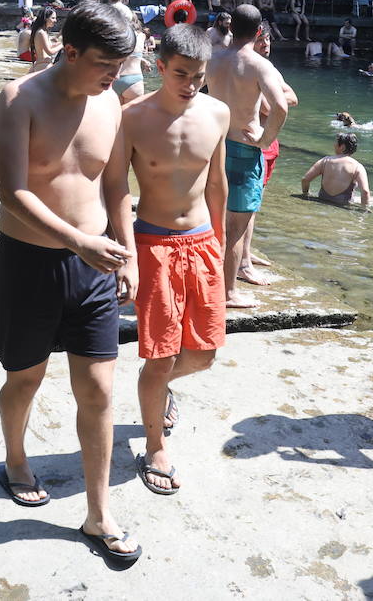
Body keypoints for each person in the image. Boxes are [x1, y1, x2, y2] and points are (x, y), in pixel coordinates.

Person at [0, 0, 141, 565]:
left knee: (100, 390)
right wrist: (78, 241)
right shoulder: (18, 99)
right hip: (30, 264)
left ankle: (98, 512)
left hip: (95, 267)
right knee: (25, 379)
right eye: (104, 64)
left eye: (119, 66)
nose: (113, 76)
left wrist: (126, 255)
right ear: (68, 51)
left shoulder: (111, 105)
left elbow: (116, 183)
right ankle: (15, 459)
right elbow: (14, 193)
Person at [119, 24, 230, 496]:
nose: (190, 84)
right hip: (152, 243)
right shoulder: (133, 117)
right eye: (181, 73)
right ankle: (154, 444)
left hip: (202, 240)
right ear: (159, 66)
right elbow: (115, 188)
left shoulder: (217, 112)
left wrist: (223, 249)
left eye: (198, 76)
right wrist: (124, 252)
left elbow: (217, 183)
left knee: (204, 353)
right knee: (160, 353)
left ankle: (159, 388)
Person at [205, 4, 289, 309]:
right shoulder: (258, 64)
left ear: (230, 28)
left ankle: (203, 282)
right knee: (236, 227)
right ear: (257, 32)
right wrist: (265, 139)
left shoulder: (211, 56)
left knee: (209, 220)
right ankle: (228, 293)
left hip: (212, 145)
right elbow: (281, 106)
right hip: (243, 148)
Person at [239, 22, 298, 285]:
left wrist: (277, 97)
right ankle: (243, 262)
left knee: (255, 203)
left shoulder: (269, 70)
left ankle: (247, 253)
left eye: (269, 41)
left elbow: (293, 97)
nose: (266, 46)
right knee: (246, 207)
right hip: (257, 142)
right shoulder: (251, 69)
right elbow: (266, 108)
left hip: (269, 144)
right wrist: (277, 97)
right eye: (261, 41)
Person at [302, 133, 371, 208]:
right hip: (342, 206)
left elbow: (305, 179)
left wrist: (306, 194)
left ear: (342, 147)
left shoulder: (325, 161)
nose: (334, 145)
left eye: (336, 143)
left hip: (322, 200)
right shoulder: (358, 167)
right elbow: (365, 192)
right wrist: (364, 210)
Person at [112, 1, 148, 102]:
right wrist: (142, 60)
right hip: (134, 78)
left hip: (115, 77)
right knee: (133, 117)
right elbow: (134, 53)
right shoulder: (142, 36)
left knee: (114, 116)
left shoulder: (116, 36)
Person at [28, 8, 62, 73]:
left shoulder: (43, 31)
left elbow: (48, 47)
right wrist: (62, 44)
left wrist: (57, 44)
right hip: (43, 66)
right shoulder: (41, 32)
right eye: (53, 18)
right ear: (46, 18)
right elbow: (50, 52)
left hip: (41, 65)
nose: (55, 20)